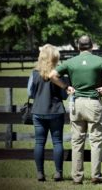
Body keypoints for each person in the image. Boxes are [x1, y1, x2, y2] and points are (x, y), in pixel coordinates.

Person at [49, 35, 102, 185]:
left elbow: (52, 75)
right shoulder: (100, 61)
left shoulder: (70, 62)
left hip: (77, 103)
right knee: (96, 141)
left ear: (78, 47)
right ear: (92, 46)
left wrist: (66, 86)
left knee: (77, 142)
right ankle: (96, 176)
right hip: (94, 103)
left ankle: (77, 177)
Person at [27, 44, 68, 182]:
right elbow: (64, 96)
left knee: (39, 142)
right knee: (57, 142)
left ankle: (40, 173)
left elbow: (30, 93)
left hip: (38, 110)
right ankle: (58, 173)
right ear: (55, 58)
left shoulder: (34, 73)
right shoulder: (59, 74)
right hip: (56, 111)